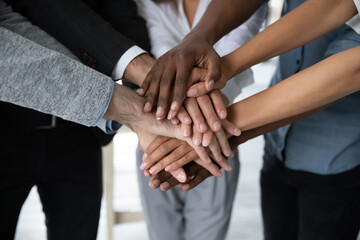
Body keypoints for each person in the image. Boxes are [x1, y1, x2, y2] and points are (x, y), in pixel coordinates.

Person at [138, 0, 360, 239]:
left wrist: (223, 127)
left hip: (336, 155)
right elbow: (340, 3)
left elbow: (351, 68)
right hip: (278, 144)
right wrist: (223, 66)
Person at [134, 1, 265, 239]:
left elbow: (235, 49)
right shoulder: (151, 3)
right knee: (162, 233)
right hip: (160, 131)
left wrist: (201, 114)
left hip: (214, 128)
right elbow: (162, 52)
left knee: (208, 231)